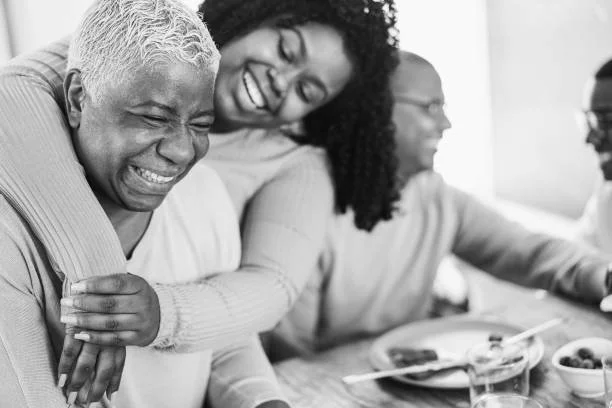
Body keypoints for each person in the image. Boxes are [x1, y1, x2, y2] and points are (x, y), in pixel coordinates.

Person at [0, 0, 400, 402]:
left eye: (306, 90)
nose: (282, 80)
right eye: (286, 50)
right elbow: (12, 90)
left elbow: (257, 304)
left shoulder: (215, 192)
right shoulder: (124, 50)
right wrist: (100, 285)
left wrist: (157, 312)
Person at [268, 50, 612, 356]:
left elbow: (528, 252)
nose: (446, 124)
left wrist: (605, 277)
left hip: (411, 378)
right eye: (431, 107)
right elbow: (290, 358)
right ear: (376, 110)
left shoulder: (434, 195)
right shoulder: (304, 203)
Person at [574, 58, 612, 312]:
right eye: (589, 120)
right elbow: (577, 258)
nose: (590, 138)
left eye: (605, 121)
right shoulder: (606, 194)